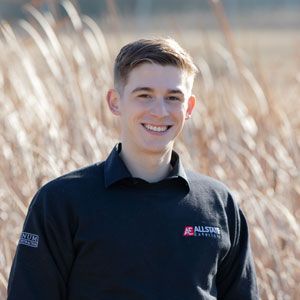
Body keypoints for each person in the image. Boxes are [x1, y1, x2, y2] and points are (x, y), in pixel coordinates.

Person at [7, 38, 259, 299]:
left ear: (189, 108)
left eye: (173, 98)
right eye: (144, 95)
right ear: (115, 102)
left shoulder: (219, 204)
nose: (160, 111)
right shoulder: (61, 201)